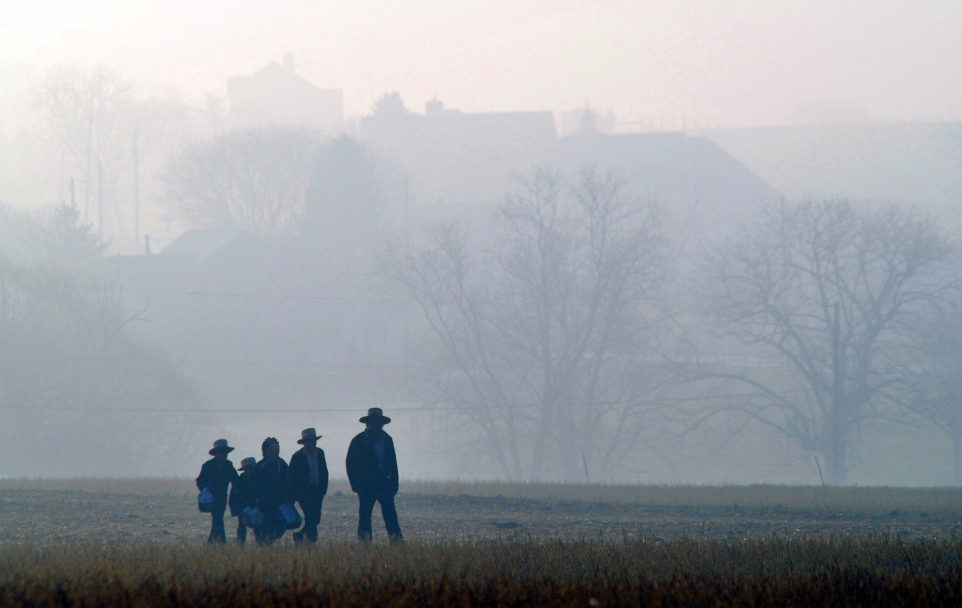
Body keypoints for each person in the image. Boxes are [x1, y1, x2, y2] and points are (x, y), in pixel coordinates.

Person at [346, 407, 403, 544]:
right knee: (365, 517)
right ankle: (364, 545)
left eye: (378, 422)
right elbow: (350, 464)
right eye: (373, 422)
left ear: (382, 423)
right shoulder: (358, 441)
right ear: (368, 423)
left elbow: (393, 464)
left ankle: (397, 544)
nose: (376, 425)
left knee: (390, 516)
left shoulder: (387, 440)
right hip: (365, 486)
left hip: (384, 485)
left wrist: (394, 484)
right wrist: (356, 484)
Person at [289, 427, 329, 544]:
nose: (311, 443)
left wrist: (323, 489)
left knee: (315, 519)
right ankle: (309, 539)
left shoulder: (320, 453)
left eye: (313, 441)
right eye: (309, 441)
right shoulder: (297, 457)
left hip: (317, 491)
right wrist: (294, 495)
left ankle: (303, 537)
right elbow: (292, 478)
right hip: (304, 493)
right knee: (312, 517)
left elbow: (324, 472)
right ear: (304, 443)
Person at [195, 438, 239, 544]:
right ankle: (219, 542)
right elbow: (200, 481)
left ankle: (213, 542)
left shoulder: (228, 465)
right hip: (211, 498)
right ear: (217, 453)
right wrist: (205, 490)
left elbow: (236, 480)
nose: (224, 455)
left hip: (222, 497)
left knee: (217, 519)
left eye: (225, 453)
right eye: (222, 452)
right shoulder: (208, 466)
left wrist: (238, 490)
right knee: (218, 519)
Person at [252, 436, 293, 545]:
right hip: (263, 505)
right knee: (263, 532)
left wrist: (289, 499)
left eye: (277, 449)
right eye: (272, 450)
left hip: (278, 505)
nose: (276, 452)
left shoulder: (282, 465)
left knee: (278, 530)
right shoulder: (259, 466)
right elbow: (254, 486)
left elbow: (288, 483)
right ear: (265, 451)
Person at [228, 456, 257, 545]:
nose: (249, 471)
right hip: (242, 508)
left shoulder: (259, 480)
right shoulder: (239, 482)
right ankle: (240, 543)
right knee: (241, 526)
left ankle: (260, 543)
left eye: (251, 469)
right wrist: (235, 510)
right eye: (247, 469)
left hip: (256, 507)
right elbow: (233, 498)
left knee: (258, 527)